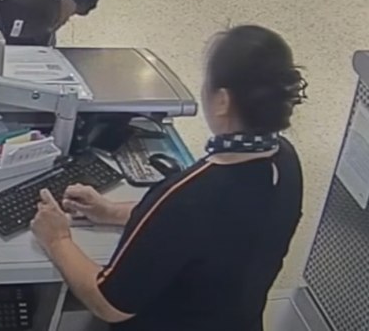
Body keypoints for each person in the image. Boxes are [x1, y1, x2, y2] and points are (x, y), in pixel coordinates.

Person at [31, 25, 307, 331]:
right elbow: (209, 232)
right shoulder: (285, 160)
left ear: (222, 101)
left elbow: (108, 302)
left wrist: (56, 238)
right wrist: (109, 212)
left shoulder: (192, 195)